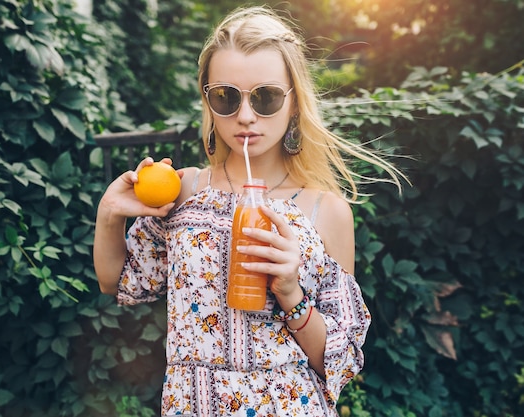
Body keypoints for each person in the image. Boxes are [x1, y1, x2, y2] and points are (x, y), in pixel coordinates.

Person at [94, 6, 403, 416]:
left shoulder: (325, 210)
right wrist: (110, 214)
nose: (244, 116)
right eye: (226, 96)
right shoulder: (184, 189)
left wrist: (291, 292)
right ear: (208, 100)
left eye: (266, 97)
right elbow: (118, 281)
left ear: (294, 102)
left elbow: (336, 358)